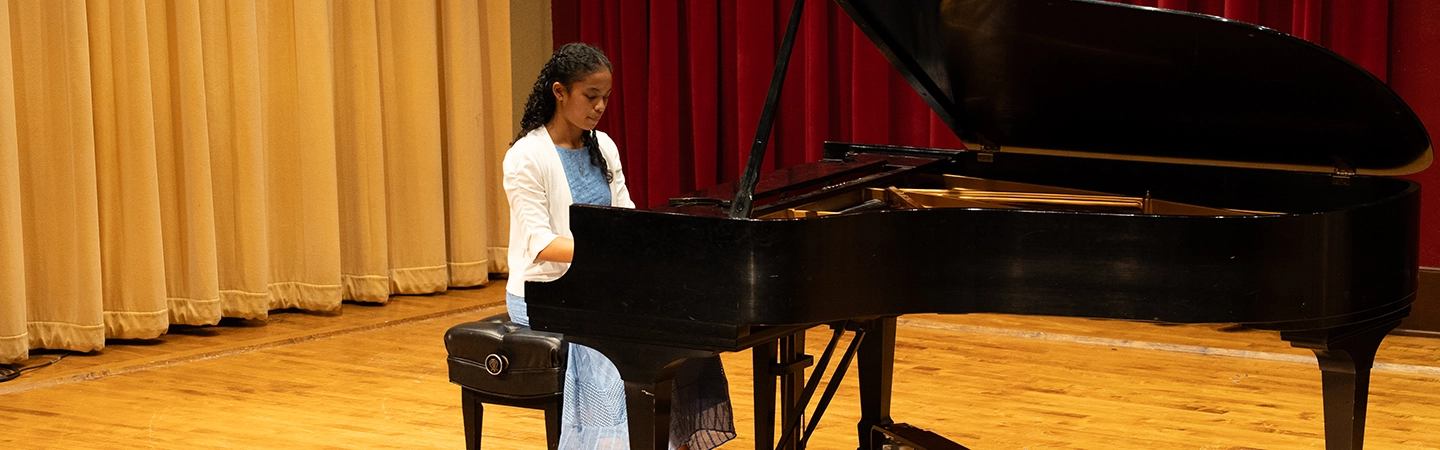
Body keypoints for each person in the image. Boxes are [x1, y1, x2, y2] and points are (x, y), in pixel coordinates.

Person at [503, 42, 737, 450]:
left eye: (606, 98)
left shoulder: (604, 146)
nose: (600, 107)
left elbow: (625, 217)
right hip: (545, 295)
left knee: (685, 329)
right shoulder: (526, 156)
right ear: (560, 92)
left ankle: (677, 441)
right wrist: (608, 254)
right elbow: (541, 245)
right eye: (591, 96)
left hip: (604, 286)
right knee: (619, 345)